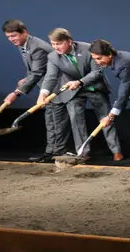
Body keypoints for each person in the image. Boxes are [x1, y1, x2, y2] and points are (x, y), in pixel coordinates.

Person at [40, 29, 122, 161]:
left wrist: (80, 82)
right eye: (53, 44)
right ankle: (83, 152)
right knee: (76, 120)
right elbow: (50, 77)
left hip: (94, 87)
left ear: (69, 41)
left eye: (59, 43)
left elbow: (97, 72)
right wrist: (43, 94)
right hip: (73, 91)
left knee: (105, 118)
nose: (56, 47)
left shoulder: (88, 49)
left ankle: (116, 151)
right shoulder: (53, 57)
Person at [1, 19, 66, 163]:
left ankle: (58, 153)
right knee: (50, 121)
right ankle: (50, 153)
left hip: (56, 87)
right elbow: (36, 70)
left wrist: (16, 92)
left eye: (14, 36)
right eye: (8, 37)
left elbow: (37, 73)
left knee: (57, 122)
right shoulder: (24, 44)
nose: (11, 40)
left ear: (24, 32)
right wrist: (26, 79)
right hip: (46, 87)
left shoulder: (37, 47)